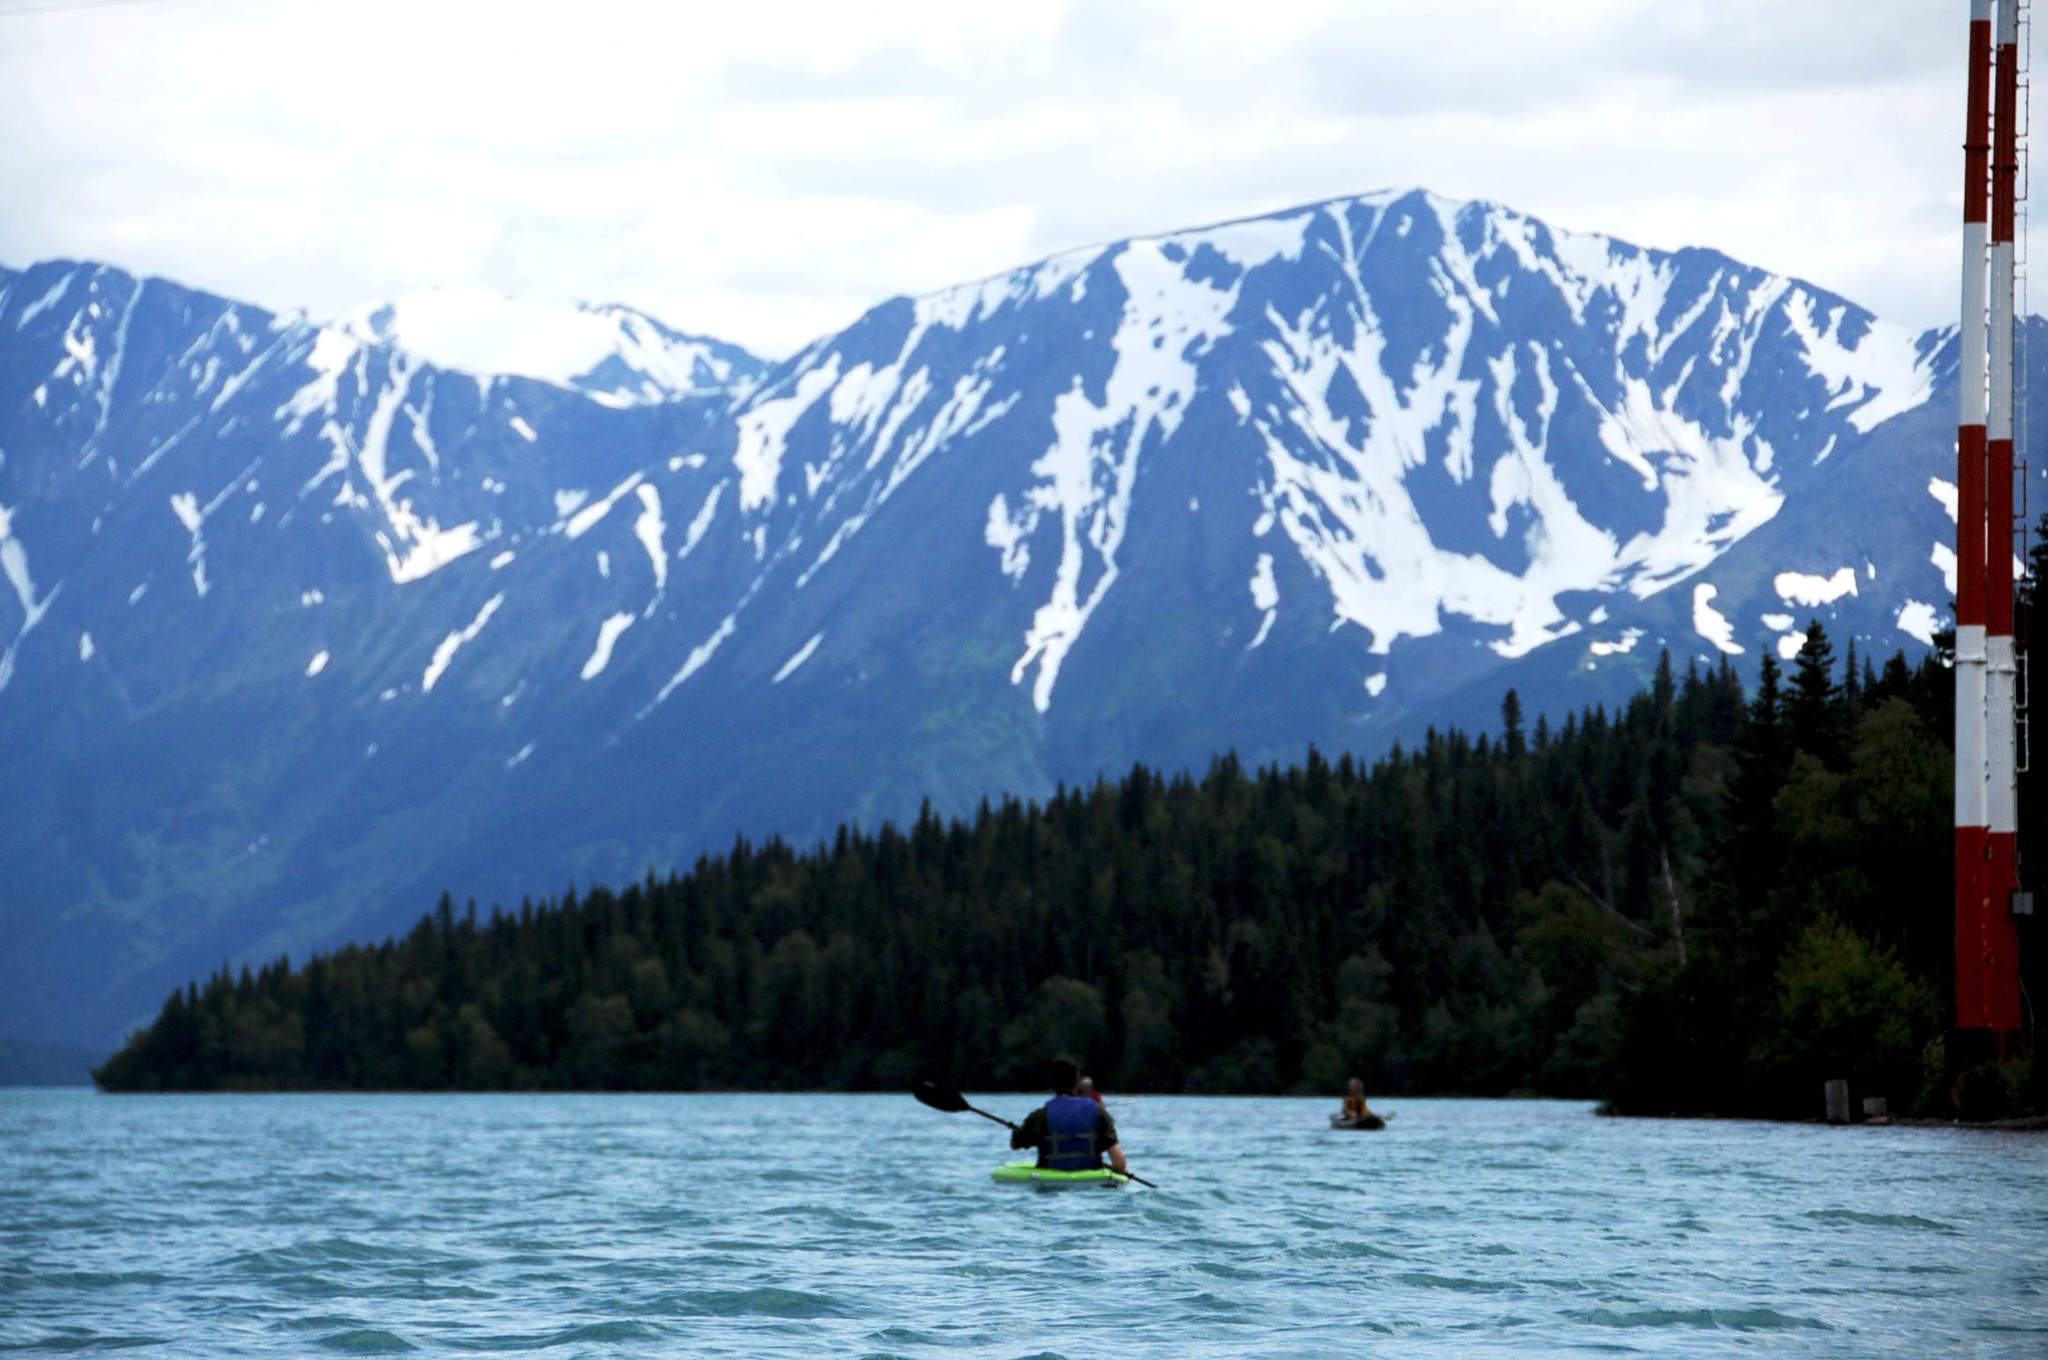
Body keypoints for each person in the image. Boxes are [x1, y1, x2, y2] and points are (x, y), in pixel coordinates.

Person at [1013, 1057, 1129, 1175]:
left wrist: (1019, 1130)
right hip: (1092, 1185)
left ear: (1052, 1082)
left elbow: (1015, 1144)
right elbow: (1119, 1164)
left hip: (1050, 1183)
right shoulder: (1098, 1113)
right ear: (1077, 1081)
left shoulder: (1039, 1116)